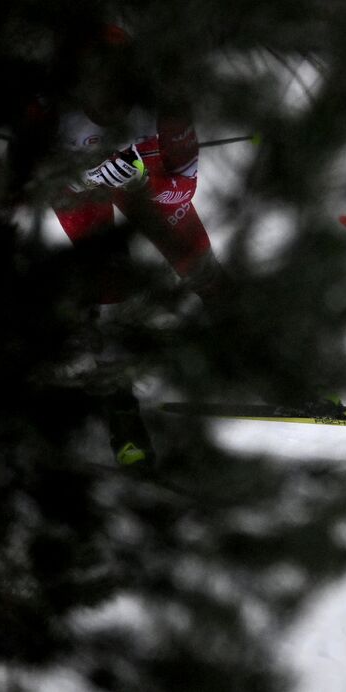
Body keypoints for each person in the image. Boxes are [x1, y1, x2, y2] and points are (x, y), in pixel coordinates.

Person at [49, 25, 224, 468]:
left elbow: (182, 189)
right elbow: (41, 182)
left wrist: (144, 176)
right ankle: (122, 417)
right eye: (97, 89)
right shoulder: (57, 109)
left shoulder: (163, 102)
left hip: (142, 177)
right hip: (79, 186)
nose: (107, 100)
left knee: (198, 262)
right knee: (109, 288)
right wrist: (82, 180)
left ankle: (269, 362)